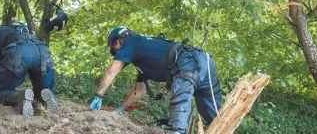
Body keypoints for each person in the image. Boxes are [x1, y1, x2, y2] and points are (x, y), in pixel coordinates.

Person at [89, 26, 222, 133]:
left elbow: (112, 71)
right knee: (216, 117)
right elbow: (138, 92)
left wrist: (98, 95)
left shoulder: (131, 42)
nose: (117, 53)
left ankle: (176, 131)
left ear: (118, 40)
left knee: (180, 96)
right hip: (205, 63)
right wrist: (120, 110)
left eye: (115, 49)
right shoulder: (143, 60)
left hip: (189, 62)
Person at [0, 22, 59, 116]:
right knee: (41, 91)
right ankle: (45, 94)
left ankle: (18, 97)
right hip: (43, 54)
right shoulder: (13, 30)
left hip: (19, 54)